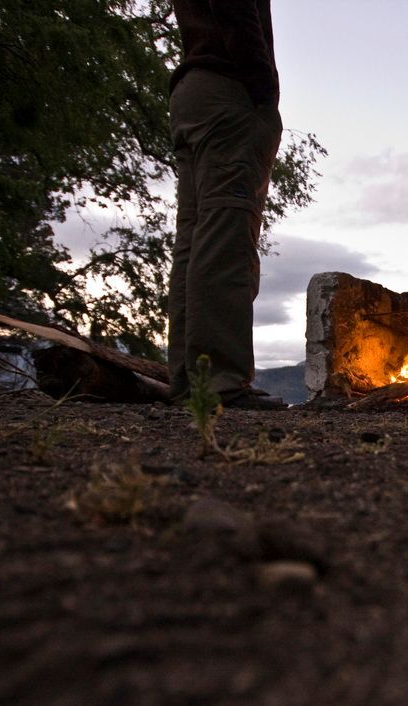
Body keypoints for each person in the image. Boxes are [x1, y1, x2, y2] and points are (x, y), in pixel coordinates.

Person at [168, 0, 284, 408]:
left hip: (192, 92)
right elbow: (235, 10)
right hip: (228, 90)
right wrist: (263, 90)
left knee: (194, 236)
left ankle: (191, 381)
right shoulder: (236, 79)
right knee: (226, 235)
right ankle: (221, 382)